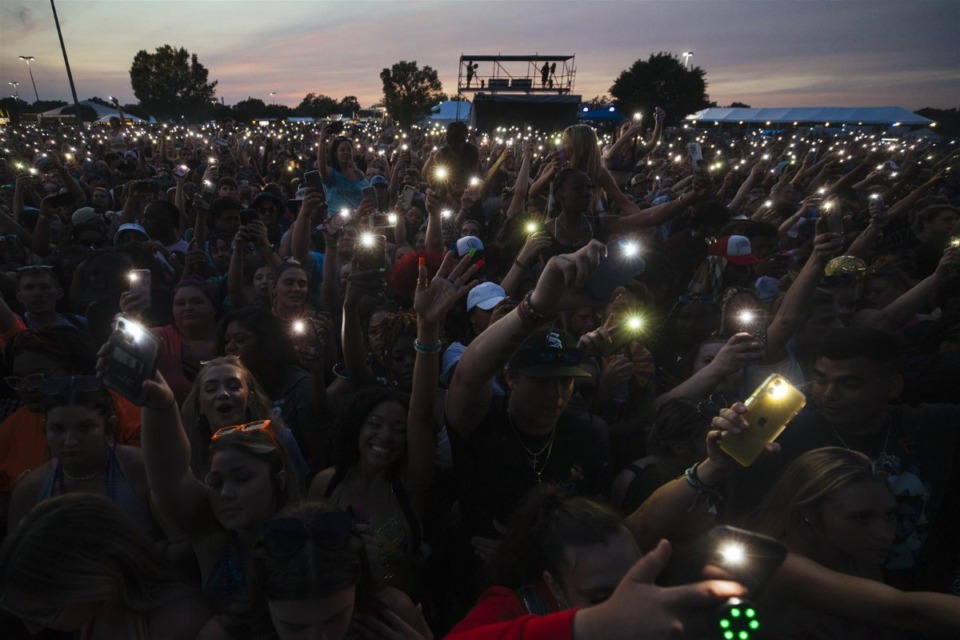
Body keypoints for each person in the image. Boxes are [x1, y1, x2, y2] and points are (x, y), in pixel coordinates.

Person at [310, 251, 479, 594]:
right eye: (374, 424)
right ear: (357, 426)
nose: (385, 435)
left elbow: (421, 412)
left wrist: (427, 328)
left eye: (398, 430)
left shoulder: (410, 483)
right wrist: (348, 307)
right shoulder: (324, 484)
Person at [96, 348, 301, 614]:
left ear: (279, 480)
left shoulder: (313, 538)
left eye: (242, 478)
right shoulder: (213, 536)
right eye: (215, 482)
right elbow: (169, 478)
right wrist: (159, 403)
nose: (226, 493)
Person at [447, 485, 747, 640]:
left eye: (634, 583)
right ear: (553, 585)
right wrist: (594, 627)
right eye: (601, 597)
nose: (626, 606)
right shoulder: (510, 607)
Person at [201, 501, 433, 640]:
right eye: (295, 627)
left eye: (336, 618)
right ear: (264, 600)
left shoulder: (394, 619)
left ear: (358, 583)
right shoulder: (225, 635)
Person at [0, 493, 208, 639]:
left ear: (86, 579)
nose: (34, 629)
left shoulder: (180, 624)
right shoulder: (93, 616)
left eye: (44, 613)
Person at [7, 377, 163, 543]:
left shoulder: (143, 471)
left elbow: (178, 540)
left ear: (109, 427)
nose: (70, 441)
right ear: (44, 429)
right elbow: (17, 554)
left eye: (84, 428)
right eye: (58, 429)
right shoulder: (31, 490)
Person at [121, 275, 220, 405]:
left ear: (214, 307)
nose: (188, 308)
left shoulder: (230, 337)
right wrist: (128, 319)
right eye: (180, 303)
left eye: (197, 302)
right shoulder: (157, 338)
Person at [317, 125, 370, 213]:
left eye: (349, 150)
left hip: (359, 219)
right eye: (342, 150)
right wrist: (322, 141)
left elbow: (368, 195)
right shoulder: (331, 173)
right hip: (336, 220)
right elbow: (322, 166)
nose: (346, 152)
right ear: (335, 154)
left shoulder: (359, 174)